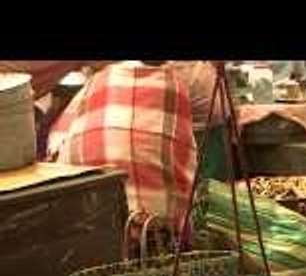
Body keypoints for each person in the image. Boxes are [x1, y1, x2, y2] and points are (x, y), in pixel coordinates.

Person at [47, 61, 197, 255]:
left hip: (86, 236)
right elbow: (187, 173)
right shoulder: (173, 86)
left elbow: (54, 150)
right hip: (154, 240)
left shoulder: (92, 88)